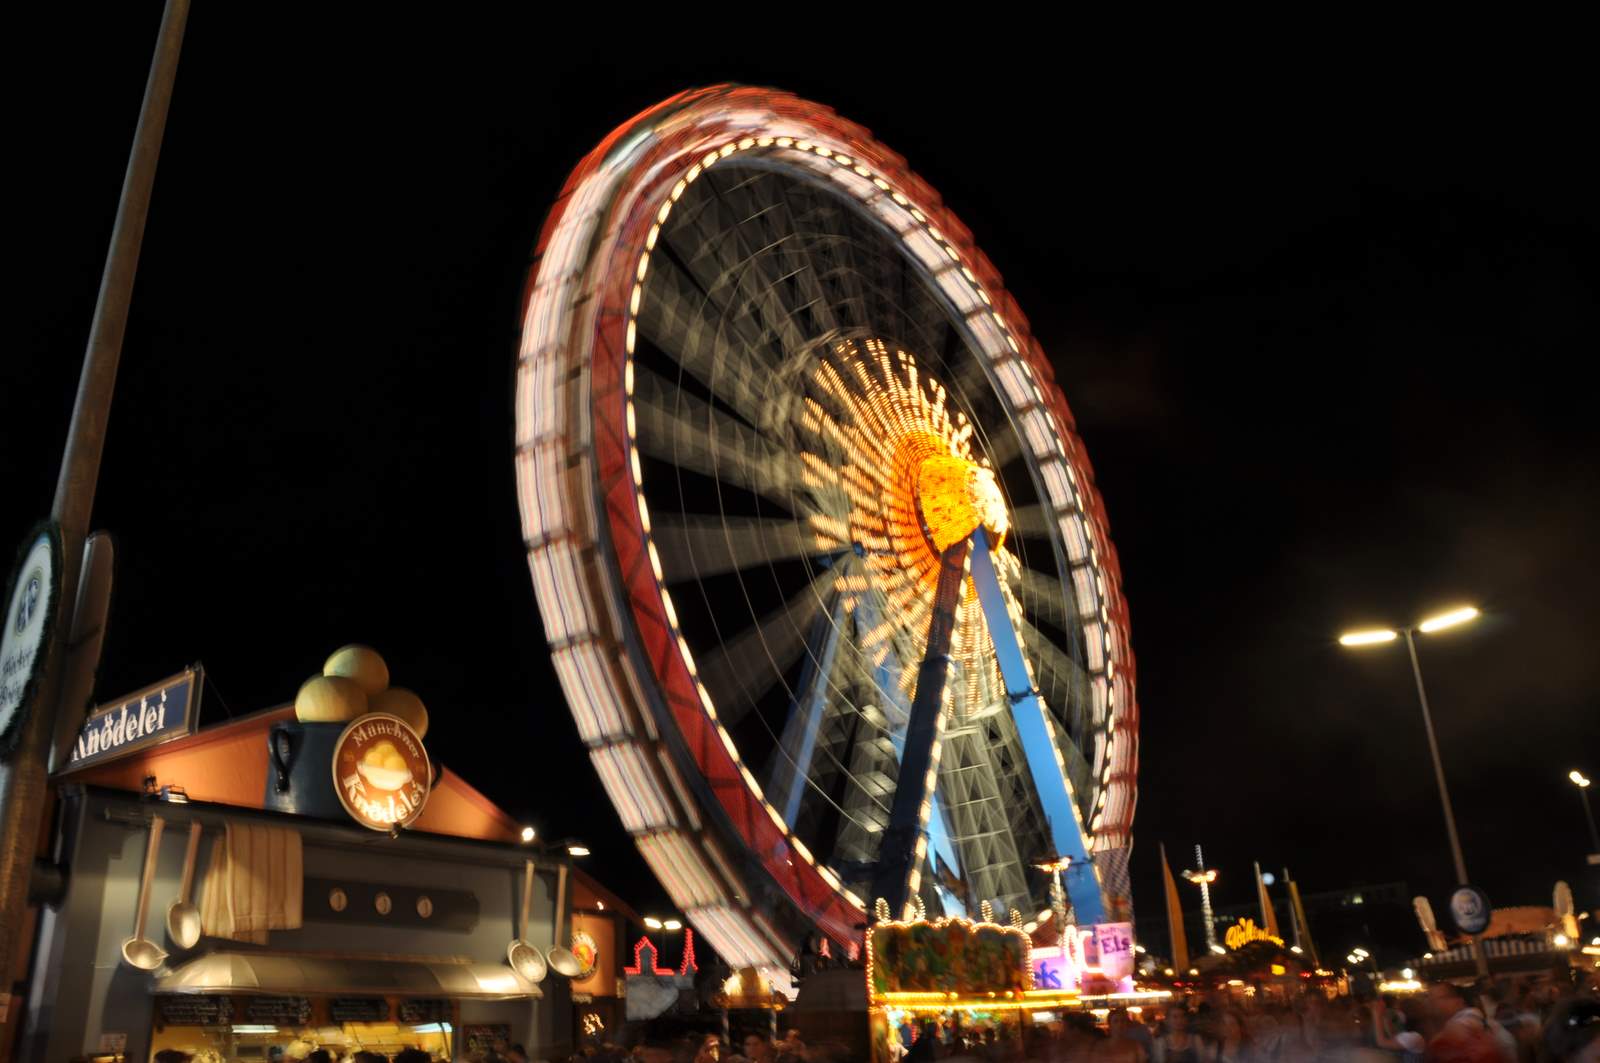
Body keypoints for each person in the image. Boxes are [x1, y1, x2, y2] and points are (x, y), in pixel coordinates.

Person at [1427, 980, 1516, 1063]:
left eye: (1440, 998)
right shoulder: (1479, 1019)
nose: (1433, 1004)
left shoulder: (1463, 1023)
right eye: (1430, 999)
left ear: (1458, 1000)